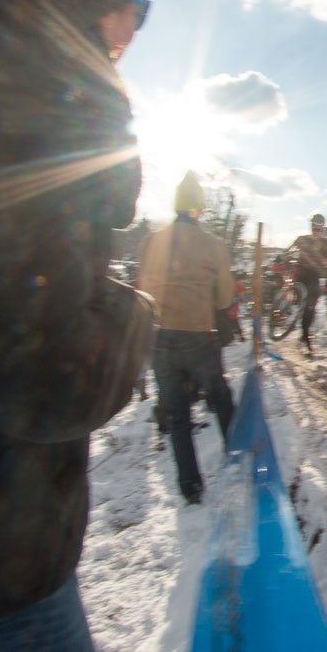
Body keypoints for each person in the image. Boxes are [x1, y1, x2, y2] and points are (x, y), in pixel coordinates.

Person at [0, 0, 156, 651]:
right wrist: (131, 315)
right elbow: (44, 381)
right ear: (101, 8)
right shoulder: (47, 113)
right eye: (137, 9)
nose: (137, 30)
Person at [136, 172, 236, 505]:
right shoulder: (213, 245)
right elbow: (224, 297)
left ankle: (190, 486)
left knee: (177, 414)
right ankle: (238, 459)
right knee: (220, 397)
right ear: (200, 208)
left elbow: (142, 289)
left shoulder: (153, 240)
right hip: (198, 336)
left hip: (160, 337)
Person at [285, 213, 327, 354]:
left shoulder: (325, 244)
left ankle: (305, 337)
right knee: (293, 294)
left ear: (322, 229)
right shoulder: (302, 239)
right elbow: (289, 250)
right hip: (300, 273)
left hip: (314, 277)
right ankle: (286, 309)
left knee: (310, 307)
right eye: (314, 227)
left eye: (319, 228)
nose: (316, 231)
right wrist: (283, 256)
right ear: (311, 226)